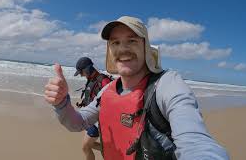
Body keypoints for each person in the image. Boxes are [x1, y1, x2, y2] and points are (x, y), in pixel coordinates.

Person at [44, 16, 229, 160]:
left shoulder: (167, 84)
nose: (122, 48)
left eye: (132, 40)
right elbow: (77, 122)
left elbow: (196, 142)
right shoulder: (107, 91)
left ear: (146, 48)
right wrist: (62, 104)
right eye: (115, 42)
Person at [73, 57, 112, 160]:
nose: (81, 75)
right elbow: (91, 96)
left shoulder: (103, 81)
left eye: (81, 72)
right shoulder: (91, 80)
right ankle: (112, 151)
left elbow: (111, 101)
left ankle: (113, 152)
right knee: (89, 145)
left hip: (98, 121)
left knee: (85, 147)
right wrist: (83, 103)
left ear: (87, 69)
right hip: (91, 119)